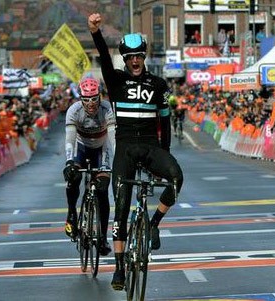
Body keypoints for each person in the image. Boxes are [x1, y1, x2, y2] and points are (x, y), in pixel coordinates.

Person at [88, 13, 184, 290]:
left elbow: (164, 120)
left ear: (144, 57)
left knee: (176, 177)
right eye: (130, 57)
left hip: (152, 147)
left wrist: (165, 153)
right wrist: (95, 32)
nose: (135, 60)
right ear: (125, 59)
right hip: (126, 149)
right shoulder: (116, 80)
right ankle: (119, 269)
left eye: (139, 55)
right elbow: (104, 57)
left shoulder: (160, 85)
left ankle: (154, 223)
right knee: (119, 209)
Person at [63, 77, 115, 257]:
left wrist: (111, 163)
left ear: (100, 97)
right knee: (74, 176)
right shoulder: (74, 111)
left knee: (102, 190)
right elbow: (70, 139)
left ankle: (103, 237)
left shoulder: (107, 109)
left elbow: (112, 139)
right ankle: (72, 214)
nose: (91, 104)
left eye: (94, 99)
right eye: (86, 100)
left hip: (102, 148)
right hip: (81, 148)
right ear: (80, 99)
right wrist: (69, 162)